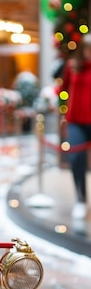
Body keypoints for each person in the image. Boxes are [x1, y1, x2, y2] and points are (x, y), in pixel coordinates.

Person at [61, 33, 91, 220]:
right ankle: (80, 198)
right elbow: (62, 88)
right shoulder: (72, 66)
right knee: (76, 158)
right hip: (76, 121)